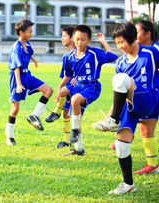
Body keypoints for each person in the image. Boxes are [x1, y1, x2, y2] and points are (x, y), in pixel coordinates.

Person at [91, 22, 159, 194]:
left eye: (122, 42)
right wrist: (111, 113)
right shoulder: (121, 62)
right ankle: (128, 184)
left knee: (121, 78)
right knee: (122, 145)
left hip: (149, 99)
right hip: (130, 106)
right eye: (117, 43)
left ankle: (113, 120)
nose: (120, 46)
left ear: (133, 38)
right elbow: (118, 91)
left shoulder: (150, 52)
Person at [55, 25, 118, 156]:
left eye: (83, 39)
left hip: (91, 87)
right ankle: (79, 149)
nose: (79, 42)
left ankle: (73, 129)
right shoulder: (69, 57)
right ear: (73, 39)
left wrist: (103, 41)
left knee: (74, 100)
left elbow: (112, 57)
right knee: (76, 119)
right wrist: (61, 87)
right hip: (77, 86)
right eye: (77, 39)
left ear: (89, 40)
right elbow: (68, 75)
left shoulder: (94, 53)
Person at [5, 19, 53, 146]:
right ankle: (9, 135)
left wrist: (35, 60)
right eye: (30, 32)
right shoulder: (16, 47)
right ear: (21, 33)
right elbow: (15, 67)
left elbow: (30, 54)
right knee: (15, 109)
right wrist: (19, 84)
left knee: (48, 90)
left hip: (28, 76)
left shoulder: (27, 44)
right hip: (17, 78)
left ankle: (34, 116)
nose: (32, 34)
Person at [45, 26, 75, 148]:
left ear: (72, 38)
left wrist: (60, 91)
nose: (62, 39)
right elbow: (65, 76)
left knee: (75, 116)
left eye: (64, 36)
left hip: (79, 87)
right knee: (66, 115)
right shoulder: (65, 56)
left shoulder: (79, 53)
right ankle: (67, 141)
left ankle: (56, 111)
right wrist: (59, 90)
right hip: (69, 87)